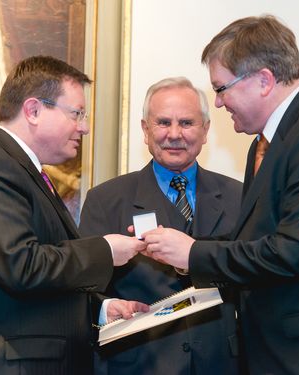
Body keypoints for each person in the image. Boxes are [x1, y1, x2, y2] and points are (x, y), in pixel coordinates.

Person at [142, 15, 299, 374]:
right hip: (284, 352)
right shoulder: (266, 143)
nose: (218, 104)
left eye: (221, 89)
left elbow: (298, 251)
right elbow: (259, 239)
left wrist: (195, 253)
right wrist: (183, 250)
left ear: (263, 80)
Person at [0, 55, 148, 374]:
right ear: (34, 110)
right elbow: (21, 267)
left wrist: (101, 308)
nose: (85, 127)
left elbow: (41, 283)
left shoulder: (23, 171)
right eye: (77, 113)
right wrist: (106, 250)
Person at [79, 77, 243, 375]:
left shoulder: (239, 197)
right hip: (138, 363)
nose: (175, 134)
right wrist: (110, 307)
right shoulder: (105, 200)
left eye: (187, 122)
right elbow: (84, 290)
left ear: (206, 130)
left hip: (220, 362)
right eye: (163, 122)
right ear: (145, 130)